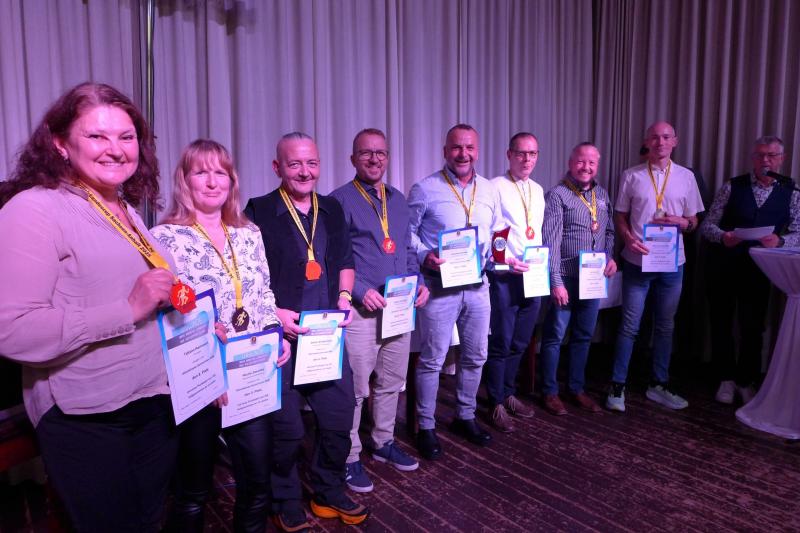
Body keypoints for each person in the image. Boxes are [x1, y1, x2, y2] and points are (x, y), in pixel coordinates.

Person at [0, 82, 176, 532]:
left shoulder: (124, 209)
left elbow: (142, 297)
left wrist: (192, 324)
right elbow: (13, 331)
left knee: (148, 524)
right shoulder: (34, 210)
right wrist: (127, 309)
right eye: (97, 136)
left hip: (152, 401)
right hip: (87, 416)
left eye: (126, 136)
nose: (115, 149)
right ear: (60, 143)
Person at [152, 139, 291, 532]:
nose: (212, 182)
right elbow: (164, 307)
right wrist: (205, 353)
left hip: (249, 369)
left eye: (220, 173)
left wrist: (275, 332)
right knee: (193, 491)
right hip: (199, 375)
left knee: (258, 483)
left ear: (231, 181)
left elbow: (263, 293)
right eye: (201, 172)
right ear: (185, 180)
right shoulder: (164, 237)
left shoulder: (248, 232)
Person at [244, 132, 368, 529]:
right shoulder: (259, 210)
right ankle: (283, 497)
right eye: (295, 163)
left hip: (325, 336)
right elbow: (247, 275)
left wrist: (345, 298)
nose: (304, 171)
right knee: (288, 429)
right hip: (282, 336)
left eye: (311, 163)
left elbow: (345, 260)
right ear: (277, 167)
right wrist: (275, 312)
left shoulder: (331, 208)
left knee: (338, 417)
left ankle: (328, 490)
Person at [330, 128, 429, 493]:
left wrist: (419, 282)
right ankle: (349, 456)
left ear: (387, 157)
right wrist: (359, 290)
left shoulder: (398, 200)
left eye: (380, 153)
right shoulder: (338, 201)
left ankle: (383, 441)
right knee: (356, 388)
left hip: (399, 309)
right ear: (352, 158)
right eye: (366, 153)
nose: (374, 159)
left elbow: (406, 250)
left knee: (391, 382)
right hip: (362, 311)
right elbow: (333, 258)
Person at [408, 123, 503, 459]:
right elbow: (407, 234)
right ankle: (426, 425)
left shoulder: (489, 190)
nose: (463, 154)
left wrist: (498, 255)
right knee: (432, 359)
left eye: (469, 147)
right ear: (445, 151)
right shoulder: (425, 189)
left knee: (476, 355)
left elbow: (495, 232)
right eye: (457, 147)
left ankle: (465, 416)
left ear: (478, 150)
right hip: (439, 287)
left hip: (478, 286)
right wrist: (425, 255)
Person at [606, 122, 704, 412]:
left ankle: (658, 384)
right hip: (637, 261)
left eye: (665, 137)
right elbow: (620, 215)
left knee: (665, 326)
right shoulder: (631, 175)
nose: (660, 142)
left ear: (675, 141)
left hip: (673, 264)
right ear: (647, 141)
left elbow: (694, 220)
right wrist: (627, 237)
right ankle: (617, 385)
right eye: (654, 137)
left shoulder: (686, 177)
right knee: (629, 326)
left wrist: (684, 223)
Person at [700, 136, 800, 404]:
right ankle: (725, 378)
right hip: (724, 265)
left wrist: (780, 241)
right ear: (752, 158)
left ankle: (746, 380)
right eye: (759, 155)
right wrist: (723, 237)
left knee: (753, 327)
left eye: (771, 155)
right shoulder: (732, 186)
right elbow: (708, 225)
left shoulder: (791, 191)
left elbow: (799, 233)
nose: (765, 160)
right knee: (721, 323)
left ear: (781, 159)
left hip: (762, 270)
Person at [540, 143, 617, 416]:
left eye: (592, 163)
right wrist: (556, 282)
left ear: (597, 166)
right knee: (554, 336)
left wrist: (609, 257)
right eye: (581, 162)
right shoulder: (557, 195)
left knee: (584, 336)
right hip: (566, 278)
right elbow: (550, 242)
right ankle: (549, 392)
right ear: (570, 163)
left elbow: (609, 232)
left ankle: (576, 388)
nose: (586, 167)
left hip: (593, 279)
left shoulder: (602, 195)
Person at [485, 132, 545, 432]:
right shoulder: (495, 186)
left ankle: (508, 393)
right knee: (501, 341)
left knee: (521, 341)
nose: (526, 159)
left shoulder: (538, 189)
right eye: (521, 153)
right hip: (506, 276)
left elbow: (535, 233)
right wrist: (505, 260)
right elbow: (491, 232)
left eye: (532, 154)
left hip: (533, 275)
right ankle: (494, 402)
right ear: (509, 155)